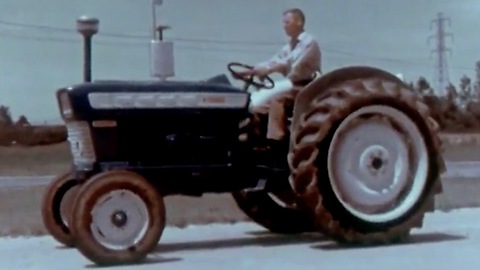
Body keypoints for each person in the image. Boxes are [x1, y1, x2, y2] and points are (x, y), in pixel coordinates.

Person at [234, 8, 322, 153]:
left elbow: (292, 64)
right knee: (255, 108)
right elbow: (274, 60)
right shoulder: (289, 45)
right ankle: (255, 144)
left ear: (299, 22)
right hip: (290, 86)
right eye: (283, 22)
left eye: (287, 22)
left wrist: (269, 70)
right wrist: (253, 71)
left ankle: (276, 144)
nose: (284, 25)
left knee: (278, 100)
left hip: (305, 87)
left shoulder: (308, 42)